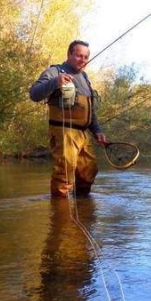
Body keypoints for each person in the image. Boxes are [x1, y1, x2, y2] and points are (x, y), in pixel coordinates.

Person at [30, 40, 107, 197]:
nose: (83, 60)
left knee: (89, 171)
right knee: (64, 175)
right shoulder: (54, 71)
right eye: (79, 56)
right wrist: (55, 82)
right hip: (63, 132)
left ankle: (83, 209)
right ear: (69, 54)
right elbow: (34, 94)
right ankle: (61, 215)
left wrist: (97, 131)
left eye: (86, 57)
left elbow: (90, 110)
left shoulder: (85, 78)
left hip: (83, 134)